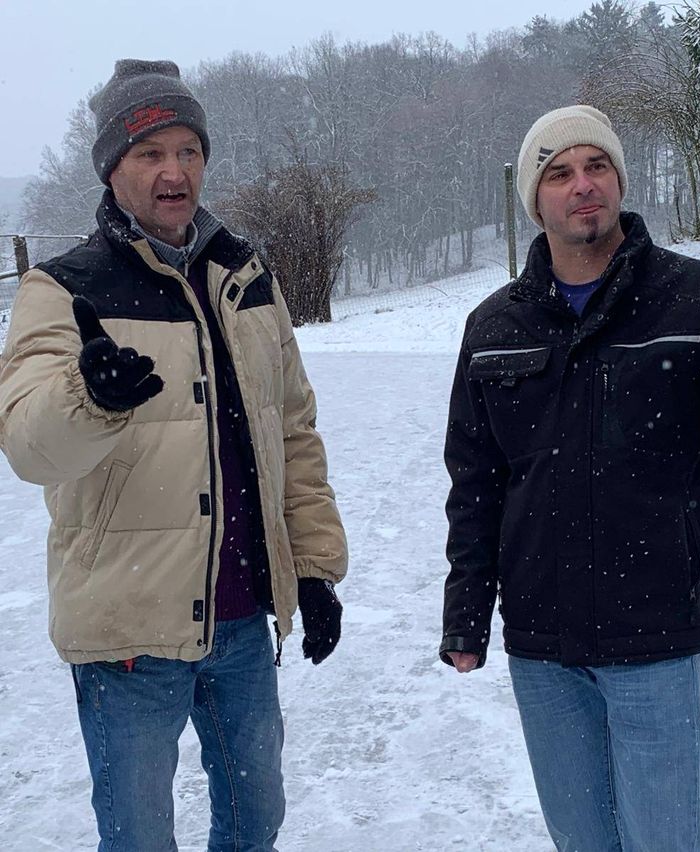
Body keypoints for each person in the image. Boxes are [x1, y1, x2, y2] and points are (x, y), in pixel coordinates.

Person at [439, 105, 700, 851]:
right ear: (537, 198)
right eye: (559, 173)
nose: (582, 186)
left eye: (596, 167)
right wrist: (468, 614)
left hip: (654, 628)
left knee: (663, 838)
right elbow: (475, 484)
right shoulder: (495, 326)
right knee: (582, 840)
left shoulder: (696, 298)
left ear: (620, 181)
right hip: (542, 638)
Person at [0, 59, 347, 851]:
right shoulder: (63, 288)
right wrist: (91, 398)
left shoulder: (245, 277)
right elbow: (26, 443)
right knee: (138, 841)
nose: (173, 171)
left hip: (240, 627)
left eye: (188, 150)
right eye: (151, 153)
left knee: (255, 825)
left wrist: (316, 569)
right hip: (127, 634)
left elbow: (291, 430)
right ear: (112, 170)